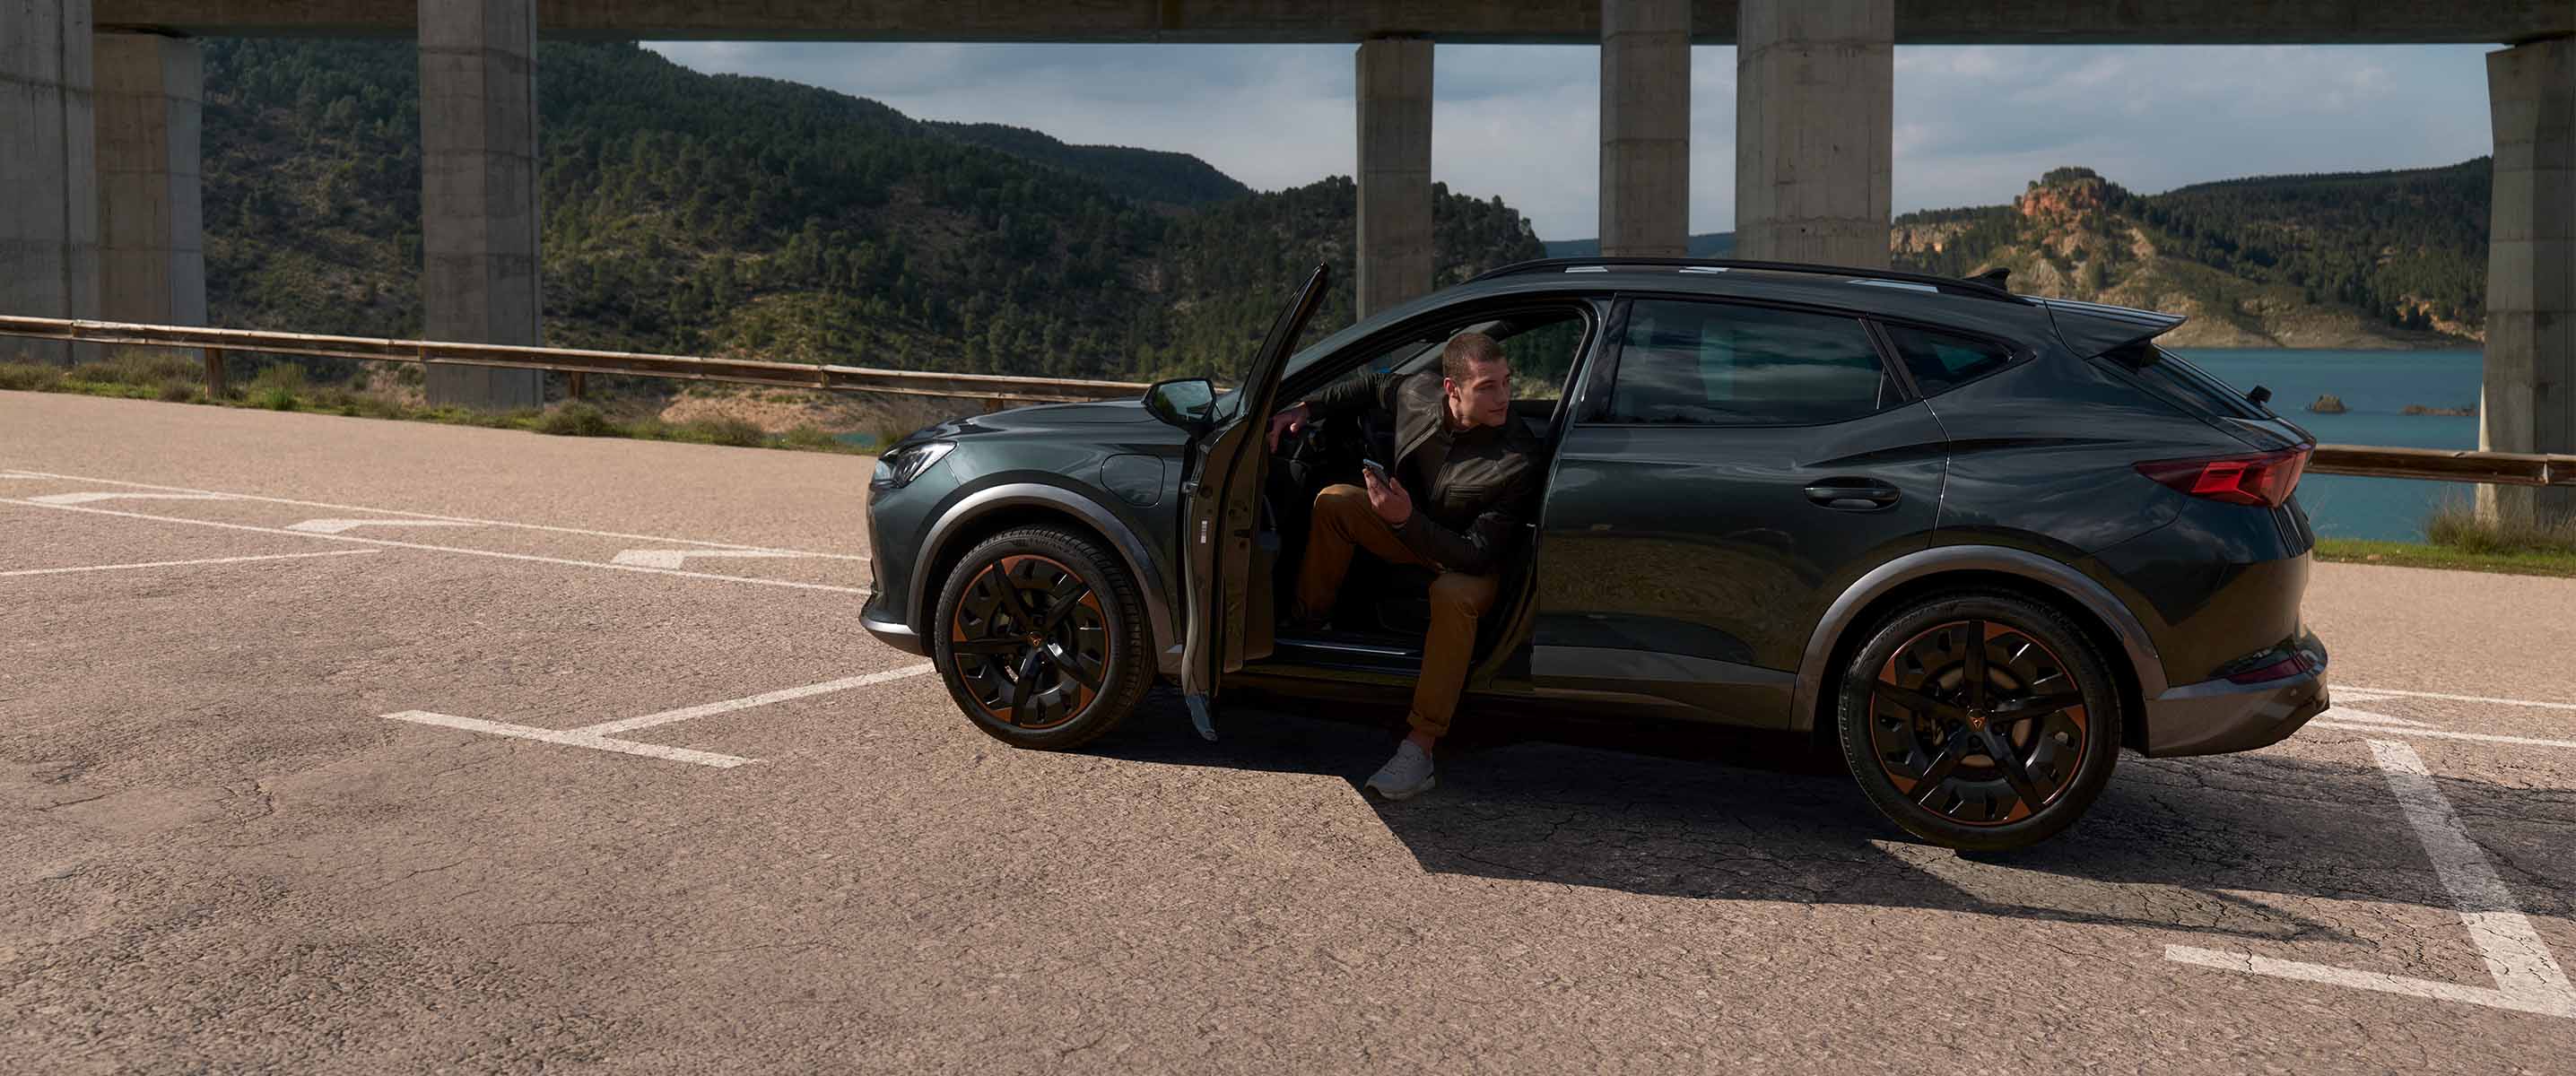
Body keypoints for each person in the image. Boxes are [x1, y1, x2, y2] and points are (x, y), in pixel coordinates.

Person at [1265, 331, 1540, 801]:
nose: (1504, 397)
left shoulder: (1517, 457)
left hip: (1472, 564)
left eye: (1507, 383)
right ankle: (1307, 629)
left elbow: (1476, 554)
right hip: (1414, 529)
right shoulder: (1417, 392)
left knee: (1450, 594)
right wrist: (1306, 409)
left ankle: (1420, 746)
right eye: (1488, 386)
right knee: (1334, 502)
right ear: (1451, 389)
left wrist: (1405, 519)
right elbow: (1370, 386)